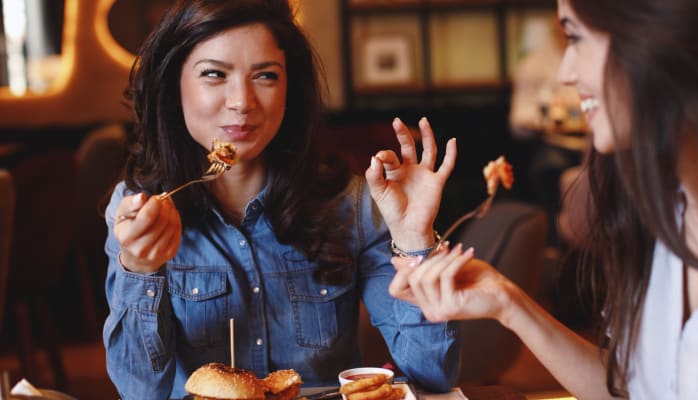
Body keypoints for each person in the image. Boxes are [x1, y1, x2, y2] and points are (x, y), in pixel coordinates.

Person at [379, 0, 698, 398]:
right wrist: (510, 304)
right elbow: (631, 391)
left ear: (655, 37)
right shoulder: (666, 218)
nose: (565, 72)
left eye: (575, 38)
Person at [103, 1, 459, 398]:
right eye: (214, 74)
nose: (241, 101)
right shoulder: (139, 212)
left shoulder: (351, 205)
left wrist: (414, 239)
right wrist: (138, 267)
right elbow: (138, 391)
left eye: (266, 76)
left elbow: (431, 376)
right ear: (174, 86)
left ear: (291, 91)